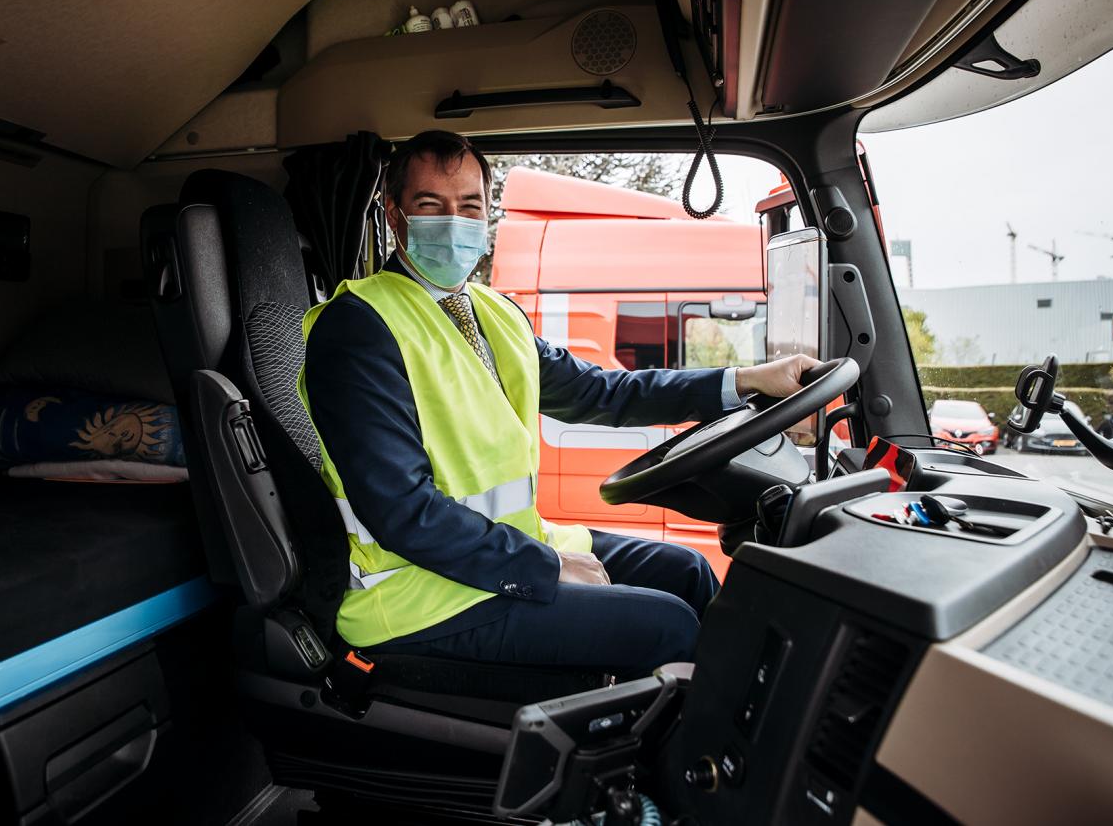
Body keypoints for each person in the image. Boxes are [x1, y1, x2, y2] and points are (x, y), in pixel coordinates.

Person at [299, 130, 819, 674]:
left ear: (486, 214)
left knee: (687, 570)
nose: (453, 222)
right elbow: (402, 512)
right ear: (393, 214)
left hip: (502, 551)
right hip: (417, 594)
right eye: (431, 205)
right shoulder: (358, 328)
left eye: (469, 206)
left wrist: (746, 380)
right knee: (666, 625)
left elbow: (601, 392)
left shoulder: (491, 312)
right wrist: (543, 567)